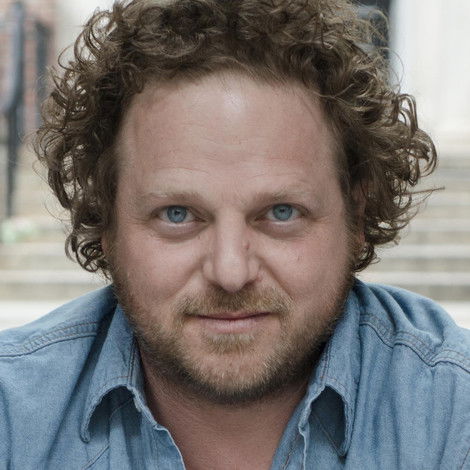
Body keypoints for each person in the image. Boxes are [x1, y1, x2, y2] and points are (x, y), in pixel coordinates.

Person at [1, 0, 469, 468]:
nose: (230, 272)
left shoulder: (452, 413)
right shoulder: (12, 418)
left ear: (357, 216)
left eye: (282, 213)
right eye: (177, 215)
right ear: (107, 221)